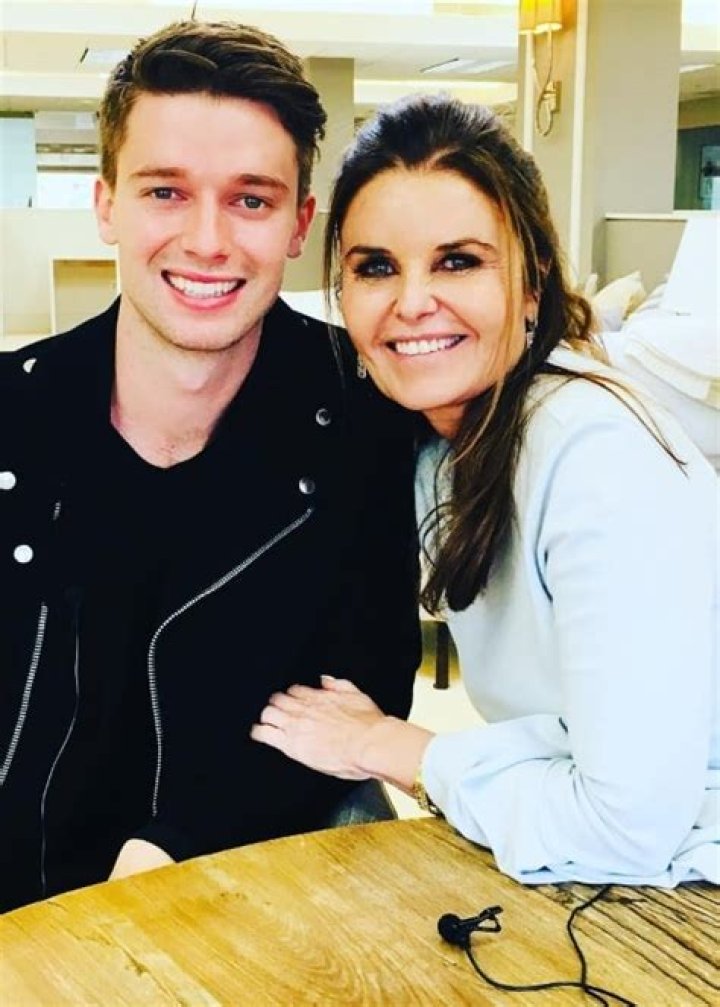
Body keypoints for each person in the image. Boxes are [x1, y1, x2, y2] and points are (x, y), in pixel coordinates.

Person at [0, 22, 421, 912]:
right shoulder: (12, 413)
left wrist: (176, 847)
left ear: (299, 223)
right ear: (107, 205)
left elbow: (356, 693)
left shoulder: (367, 420)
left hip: (230, 901)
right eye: (166, 192)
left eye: (250, 200)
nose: (207, 240)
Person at [252, 94, 719, 887]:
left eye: (458, 261)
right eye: (375, 267)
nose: (411, 303)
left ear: (533, 284)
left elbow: (627, 825)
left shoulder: (593, 457)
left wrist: (390, 745)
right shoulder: (440, 443)